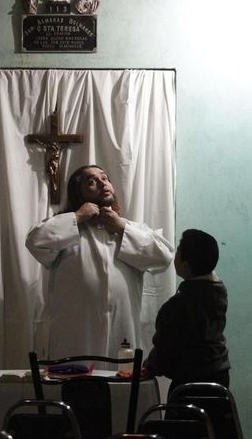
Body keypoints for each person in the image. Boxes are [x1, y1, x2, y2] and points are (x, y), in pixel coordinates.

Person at [26, 164, 174, 359]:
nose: (103, 184)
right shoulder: (66, 230)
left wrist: (121, 227)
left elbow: (163, 257)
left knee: (118, 385)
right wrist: (78, 217)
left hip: (120, 335)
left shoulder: (132, 230)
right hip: (75, 340)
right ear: (78, 193)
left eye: (105, 178)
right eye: (92, 181)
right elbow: (35, 241)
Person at [144, 229, 230, 397]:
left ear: (185, 266)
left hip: (191, 383)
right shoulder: (219, 293)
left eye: (178, 251)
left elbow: (166, 347)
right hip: (220, 375)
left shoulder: (178, 306)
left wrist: (150, 367)